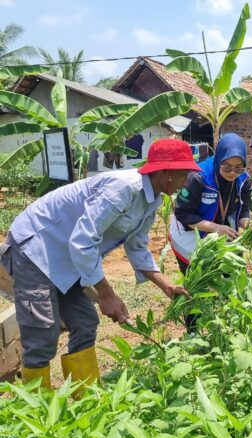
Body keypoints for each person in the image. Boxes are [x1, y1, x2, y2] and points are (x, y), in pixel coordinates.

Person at [0, 139, 200, 391]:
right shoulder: (123, 189)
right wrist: (107, 294)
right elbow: (83, 240)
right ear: (166, 173)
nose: (186, 181)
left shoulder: (154, 199)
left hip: (68, 257)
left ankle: (85, 398)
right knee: (43, 331)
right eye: (184, 174)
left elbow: (137, 246)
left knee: (84, 322)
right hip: (35, 248)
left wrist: (167, 286)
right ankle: (36, 410)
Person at [170, 133, 252, 330]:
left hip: (222, 235)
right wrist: (216, 228)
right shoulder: (197, 177)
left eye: (238, 167)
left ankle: (227, 326)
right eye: (227, 166)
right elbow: (184, 214)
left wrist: (251, 226)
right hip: (190, 234)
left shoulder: (244, 181)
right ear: (218, 159)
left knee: (232, 277)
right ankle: (193, 332)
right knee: (196, 283)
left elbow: (243, 211)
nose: (232, 172)